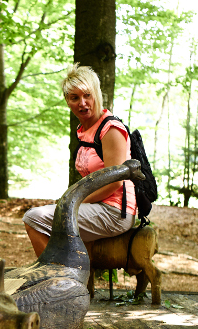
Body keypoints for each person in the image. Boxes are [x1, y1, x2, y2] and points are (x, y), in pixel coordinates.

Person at [23, 63, 136, 257]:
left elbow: (115, 182)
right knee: (41, 216)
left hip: (115, 212)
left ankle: (58, 279)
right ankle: (65, 275)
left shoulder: (111, 129)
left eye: (87, 95)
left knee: (34, 218)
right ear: (67, 101)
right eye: (74, 98)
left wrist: (73, 201)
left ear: (97, 95)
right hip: (95, 206)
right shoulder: (83, 131)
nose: (82, 103)